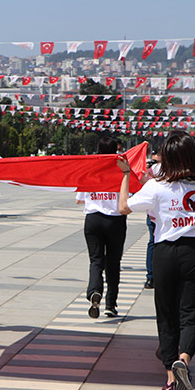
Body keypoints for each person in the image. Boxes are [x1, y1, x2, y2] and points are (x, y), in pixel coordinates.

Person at [117, 131, 195, 390]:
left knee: (166, 315)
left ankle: (171, 380)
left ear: (167, 158)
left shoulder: (157, 186)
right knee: (191, 312)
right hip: (194, 254)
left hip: (164, 253)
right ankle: (184, 360)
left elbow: (123, 208)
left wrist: (126, 175)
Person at [76, 136, 126, 319]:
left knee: (96, 260)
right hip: (115, 220)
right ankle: (110, 304)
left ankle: (94, 292)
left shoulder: (90, 169)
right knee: (113, 263)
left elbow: (79, 198)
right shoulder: (121, 170)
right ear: (116, 150)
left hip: (93, 220)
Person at [144, 150, 162, 289]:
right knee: (153, 243)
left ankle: (158, 275)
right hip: (153, 214)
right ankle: (151, 276)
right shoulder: (149, 172)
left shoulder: (168, 171)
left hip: (165, 214)